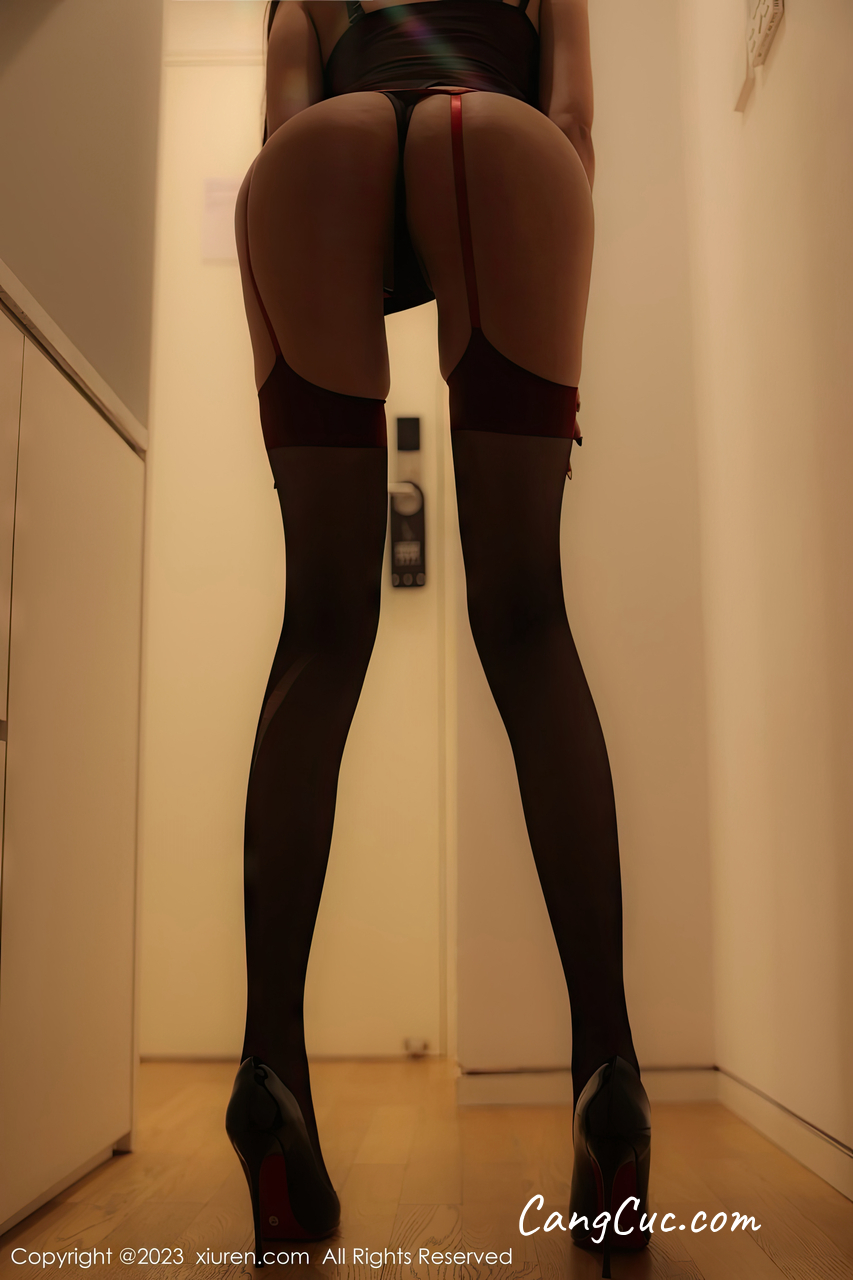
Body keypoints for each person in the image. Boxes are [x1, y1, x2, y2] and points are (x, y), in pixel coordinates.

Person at [223, 2, 650, 1274]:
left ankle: (268, 1069)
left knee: (319, 627)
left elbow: (282, 120)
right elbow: (571, 119)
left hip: (321, 147)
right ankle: (609, 1070)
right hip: (500, 134)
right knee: (526, 618)